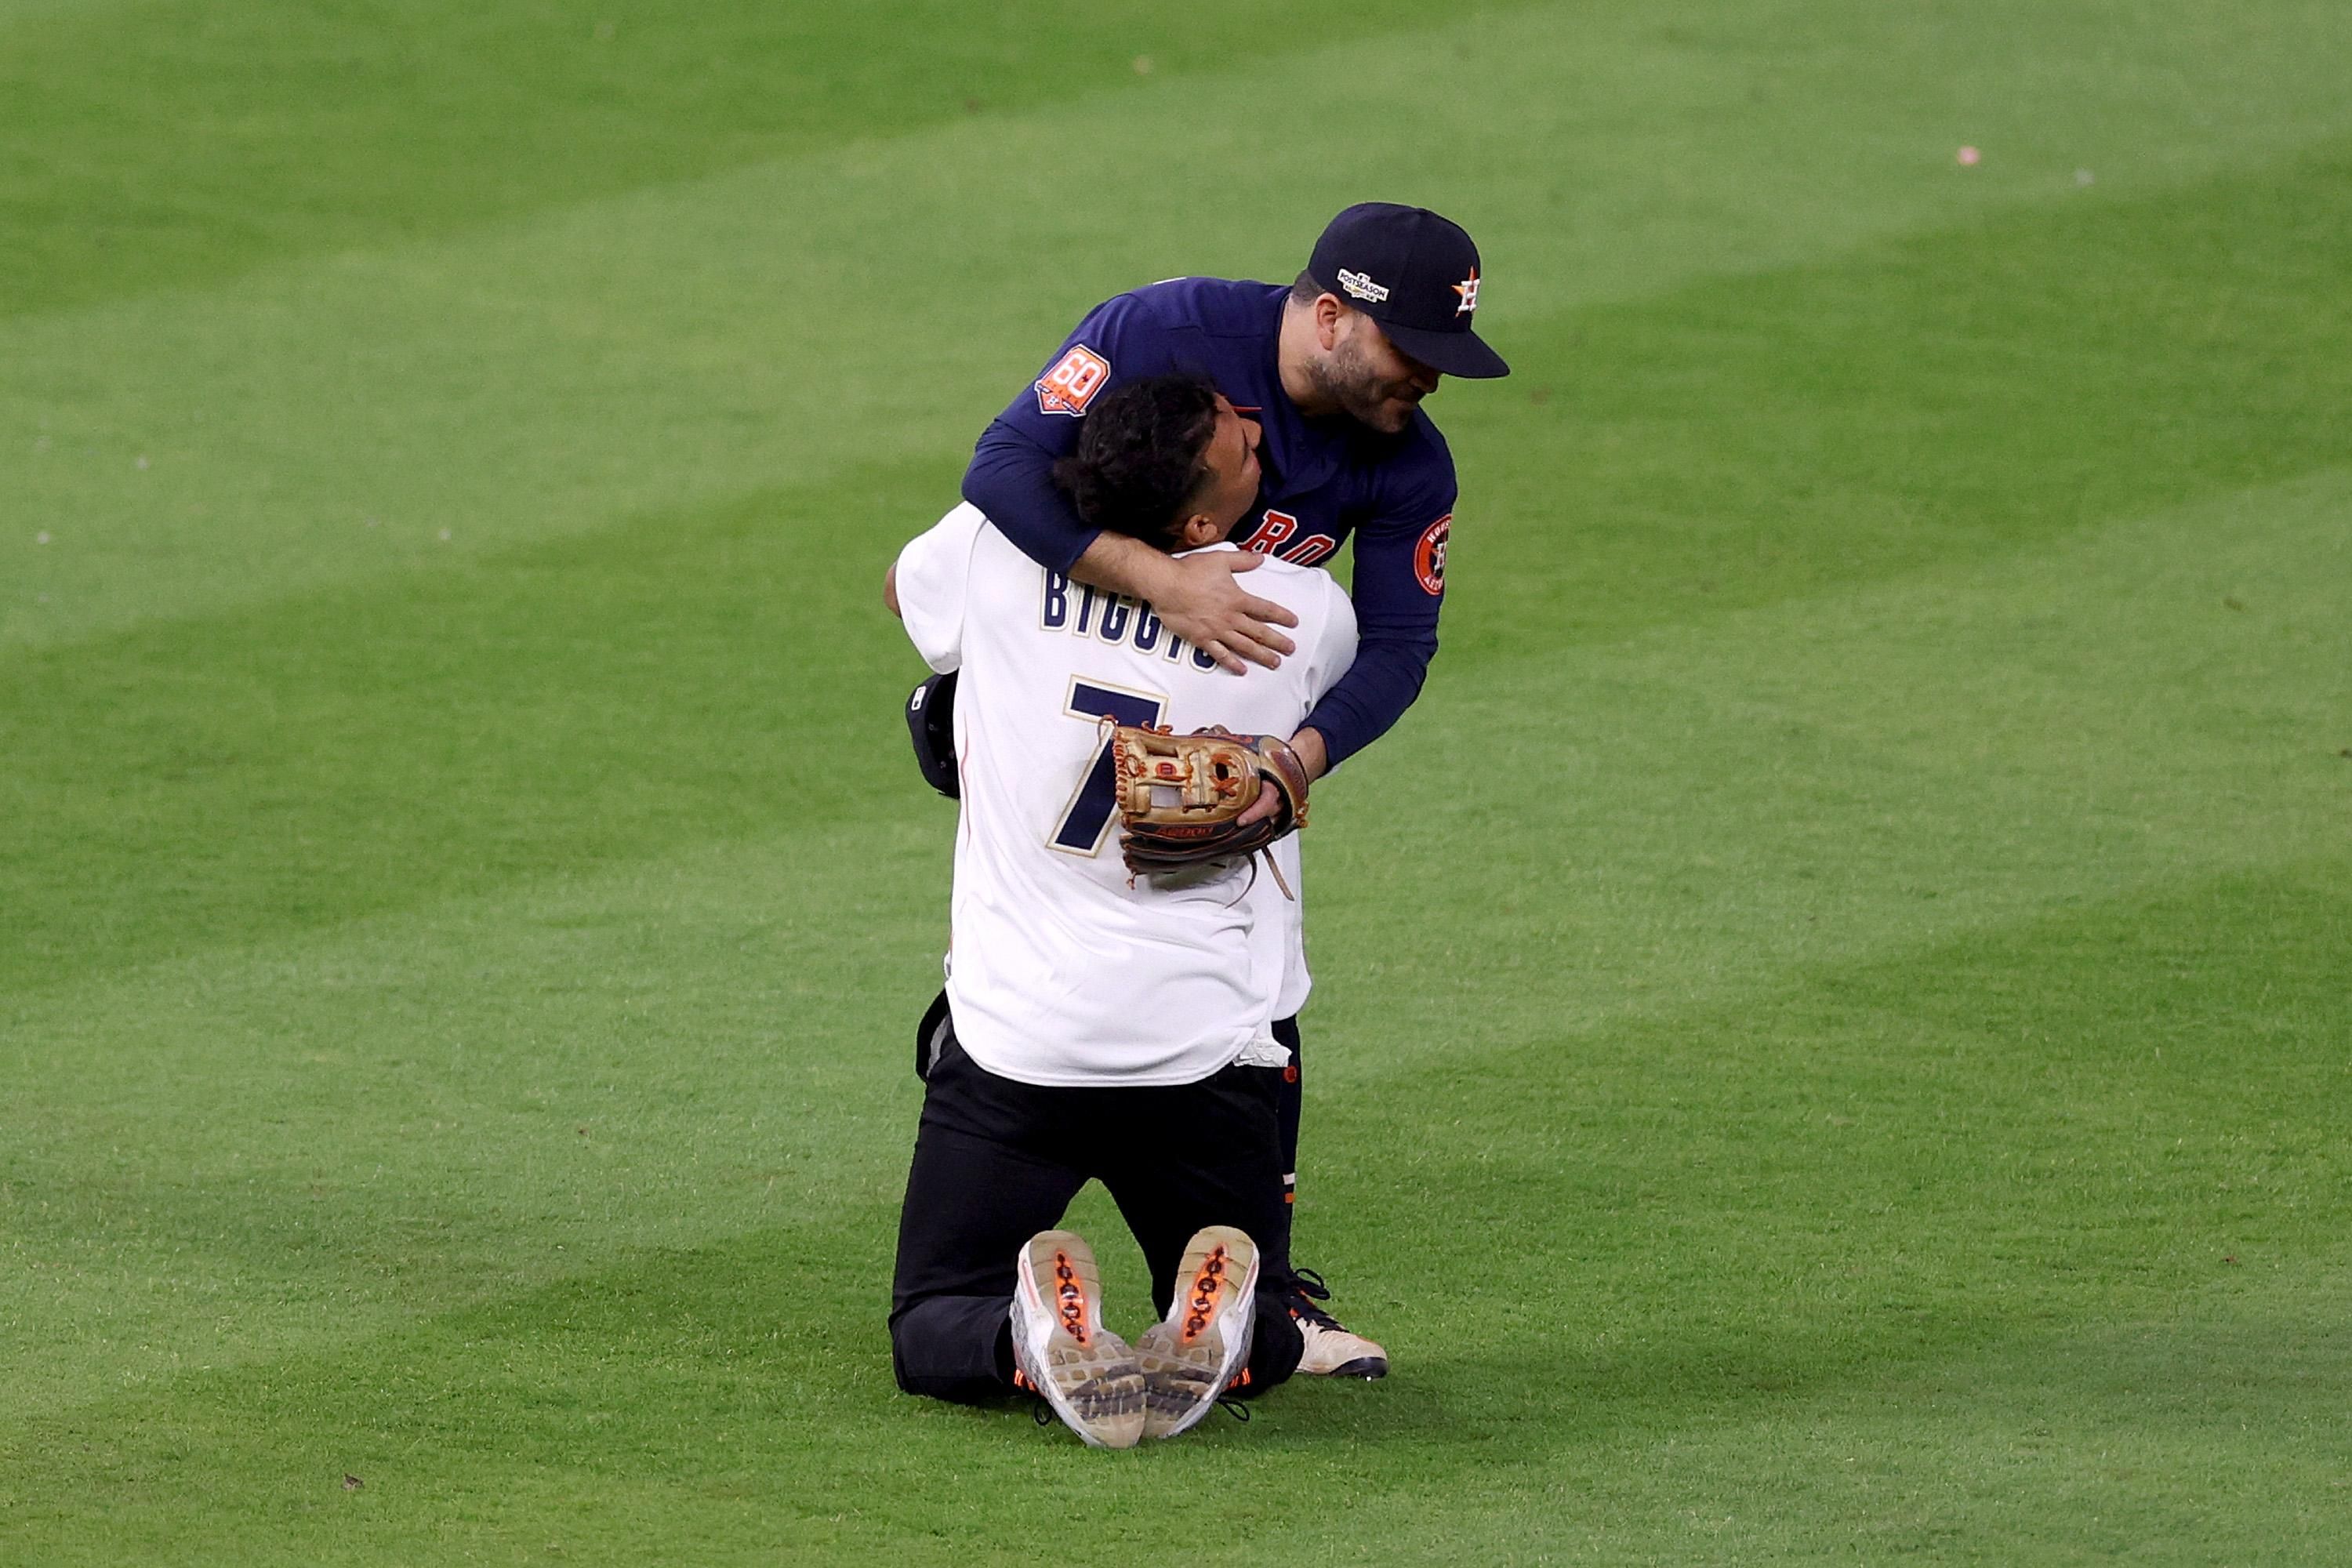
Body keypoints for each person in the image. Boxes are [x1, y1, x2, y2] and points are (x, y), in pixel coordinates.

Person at [956, 201, 1509, 1367]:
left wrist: (1292, 765)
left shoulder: (1410, 461)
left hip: (1222, 743)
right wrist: (1159, 582)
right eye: (1415, 351)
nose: (1431, 382)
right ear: (1329, 315)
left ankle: (1269, 1294)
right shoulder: (1166, 329)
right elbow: (1001, 467)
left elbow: (1404, 647)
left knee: (1264, 970)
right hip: (1071, 672)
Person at [884, 373, 1360, 1446]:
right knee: (1274, 1317)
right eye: (1239, 442)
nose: (1256, 430)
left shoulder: (990, 547)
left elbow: (900, 594)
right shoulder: (1302, 614)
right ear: (1200, 519)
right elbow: (1352, 685)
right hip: (1201, 1057)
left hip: (1016, 1052)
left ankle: (1024, 1341)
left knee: (929, 1323)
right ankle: (1241, 1333)